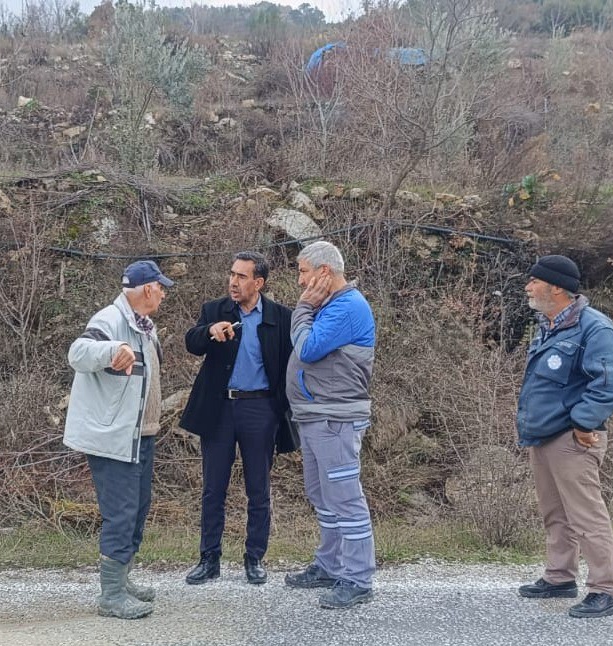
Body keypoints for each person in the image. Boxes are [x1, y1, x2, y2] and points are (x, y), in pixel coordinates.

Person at [516, 255, 613, 618]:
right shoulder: (549, 325)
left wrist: (583, 423)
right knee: (556, 513)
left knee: (586, 516)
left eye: (534, 281)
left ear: (557, 288)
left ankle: (605, 590)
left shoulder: (595, 329)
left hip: (573, 440)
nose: (527, 287)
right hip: (544, 436)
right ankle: (560, 577)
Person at [180, 251, 297, 586]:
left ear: (258, 283)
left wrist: (284, 411)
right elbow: (192, 342)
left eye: (242, 276)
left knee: (258, 488)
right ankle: (209, 559)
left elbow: (291, 365)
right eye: (232, 274)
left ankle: (254, 558)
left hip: (260, 409)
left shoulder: (280, 317)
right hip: (219, 409)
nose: (233, 282)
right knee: (213, 488)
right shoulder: (215, 310)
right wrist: (208, 332)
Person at [63, 260, 173, 619]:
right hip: (115, 437)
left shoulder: (143, 325)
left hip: (142, 434)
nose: (163, 293)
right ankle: (110, 595)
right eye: (161, 287)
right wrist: (111, 351)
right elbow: (78, 353)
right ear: (146, 289)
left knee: (138, 510)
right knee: (121, 513)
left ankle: (122, 579)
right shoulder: (108, 320)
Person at [283, 241, 377, 609]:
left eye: (303, 271)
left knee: (345, 497)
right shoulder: (330, 307)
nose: (300, 280)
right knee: (322, 494)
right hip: (315, 416)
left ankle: (357, 578)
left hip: (335, 418)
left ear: (324, 272)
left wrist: (303, 308)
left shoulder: (347, 307)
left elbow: (308, 349)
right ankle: (330, 564)